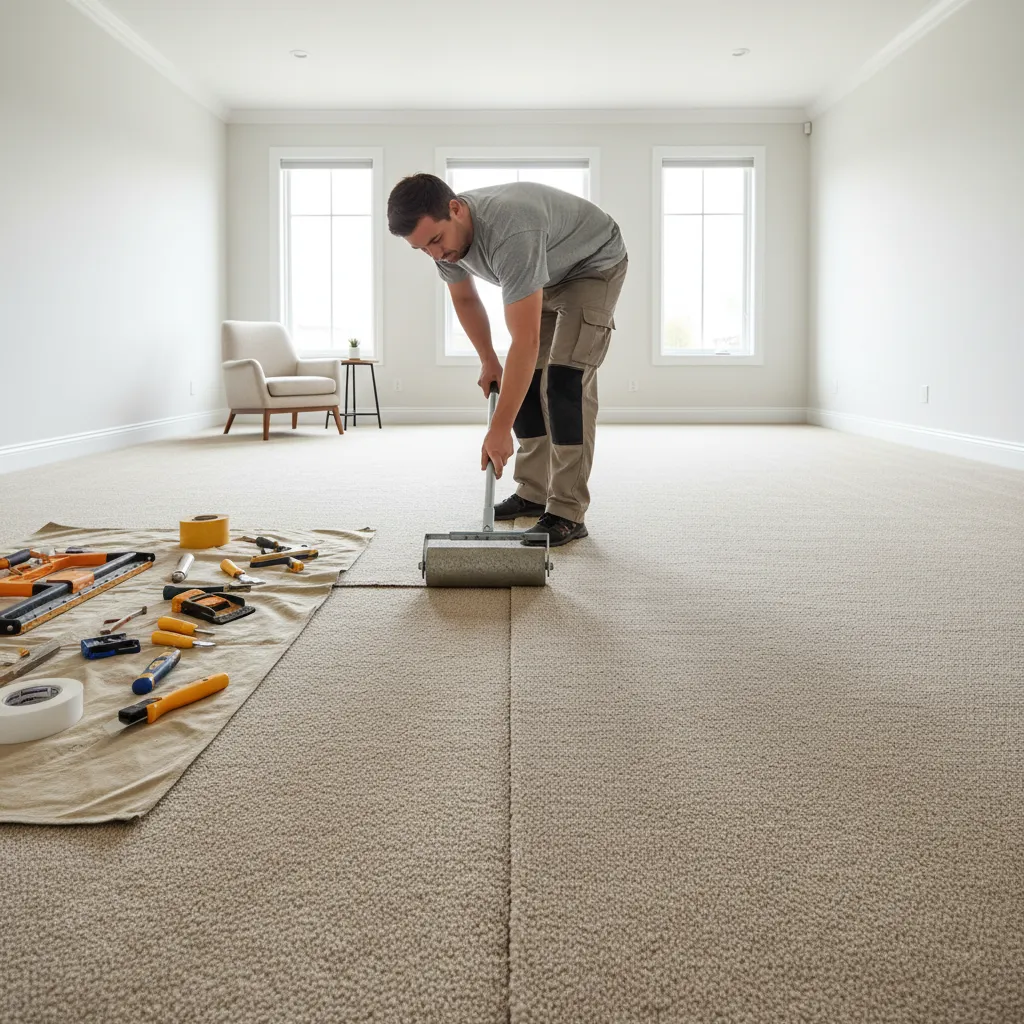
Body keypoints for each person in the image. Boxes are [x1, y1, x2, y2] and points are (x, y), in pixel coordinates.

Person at [387, 173, 627, 547]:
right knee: (528, 381)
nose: (435, 254)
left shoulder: (511, 231)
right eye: (422, 249)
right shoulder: (445, 246)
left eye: (435, 240)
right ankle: (533, 492)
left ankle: (567, 511)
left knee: (564, 381)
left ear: (455, 209)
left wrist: (499, 429)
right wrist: (488, 360)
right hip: (546, 270)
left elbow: (525, 340)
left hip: (593, 265)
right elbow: (466, 300)